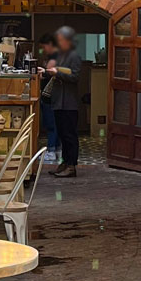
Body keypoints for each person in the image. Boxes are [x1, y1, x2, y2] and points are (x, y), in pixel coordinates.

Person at [46, 26, 82, 178]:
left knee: (69, 135)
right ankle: (65, 162)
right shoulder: (61, 55)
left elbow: (75, 77)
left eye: (60, 40)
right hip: (58, 101)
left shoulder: (74, 56)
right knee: (62, 134)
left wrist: (58, 73)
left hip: (68, 103)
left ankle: (71, 165)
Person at [36, 32, 60, 164]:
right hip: (52, 96)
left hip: (51, 96)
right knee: (53, 123)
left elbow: (53, 74)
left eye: (43, 47)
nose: (43, 50)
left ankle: (51, 151)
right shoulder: (56, 56)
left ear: (50, 45)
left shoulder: (55, 57)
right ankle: (55, 149)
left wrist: (44, 72)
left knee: (52, 124)